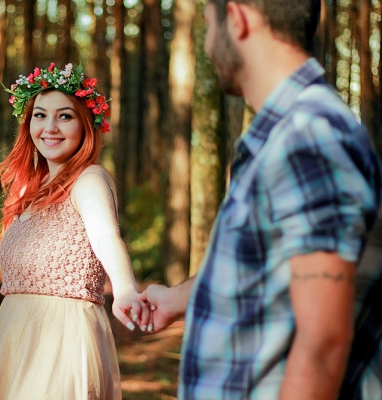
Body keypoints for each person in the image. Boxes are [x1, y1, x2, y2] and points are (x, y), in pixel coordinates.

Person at [139, 0, 382, 398]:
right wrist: (178, 298)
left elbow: (322, 343)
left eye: (208, 27)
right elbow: (276, 264)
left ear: (236, 18)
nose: (207, 44)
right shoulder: (289, 135)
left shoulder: (308, 137)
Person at [0, 62, 150, 400]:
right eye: (40, 115)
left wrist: (125, 289)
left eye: (64, 116)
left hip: (63, 339)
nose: (49, 127)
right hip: (15, 338)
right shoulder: (28, 190)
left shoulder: (89, 180)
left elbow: (107, 236)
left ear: (86, 124)